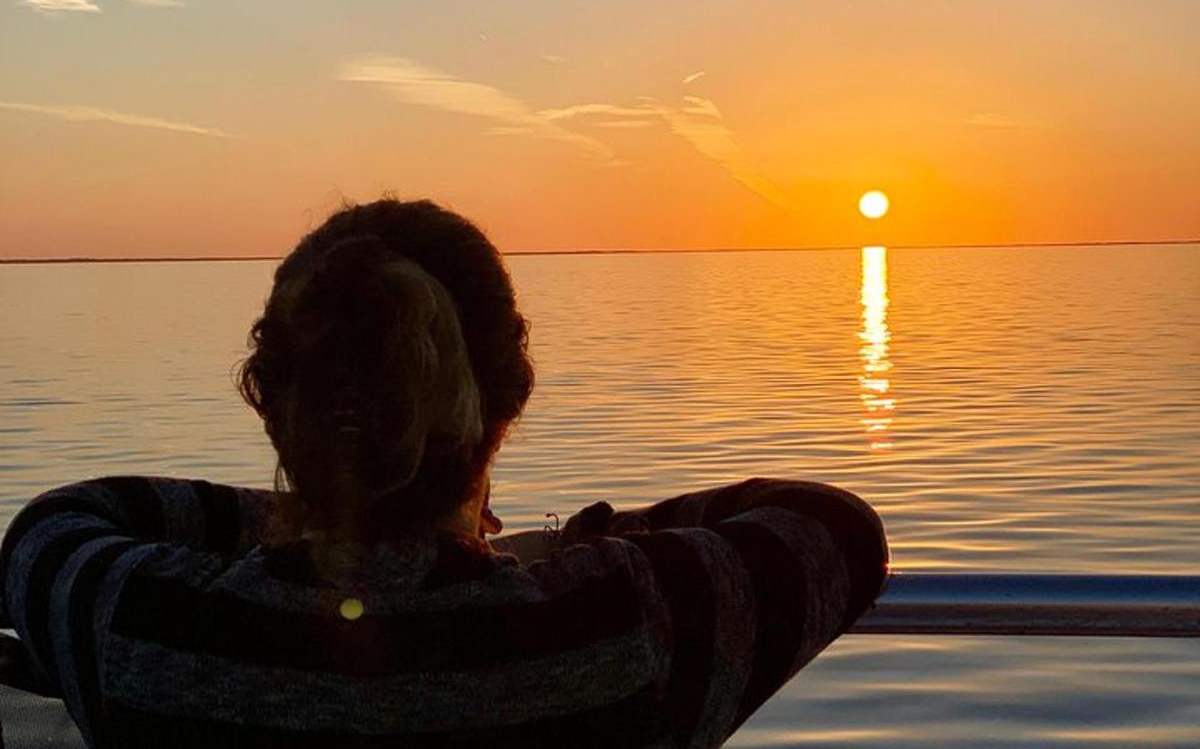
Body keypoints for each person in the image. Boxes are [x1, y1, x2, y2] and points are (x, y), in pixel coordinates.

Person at [0, 199, 888, 748]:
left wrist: (313, 510)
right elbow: (835, 530)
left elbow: (64, 521)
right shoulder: (618, 628)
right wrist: (597, 544)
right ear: (507, 400)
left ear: (271, 400)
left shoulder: (140, 629)